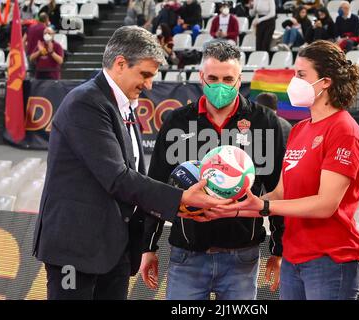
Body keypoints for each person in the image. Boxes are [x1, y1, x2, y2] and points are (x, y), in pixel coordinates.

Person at [32, 26, 230, 300]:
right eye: (145, 75)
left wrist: (179, 205)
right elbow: (117, 177)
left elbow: (132, 176)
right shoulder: (85, 102)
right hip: (75, 250)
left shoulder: (121, 105)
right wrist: (180, 198)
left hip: (113, 249)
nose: (149, 84)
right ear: (120, 64)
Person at [206, 40, 359, 300]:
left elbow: (326, 204)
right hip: (295, 258)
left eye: (301, 75)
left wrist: (265, 208)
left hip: (330, 260)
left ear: (325, 82)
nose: (293, 82)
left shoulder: (343, 129)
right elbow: (281, 192)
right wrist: (238, 205)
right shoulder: (301, 128)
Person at [139, 41, 285, 300]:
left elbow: (278, 190)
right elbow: (156, 186)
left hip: (243, 257)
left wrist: (278, 249)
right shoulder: (177, 121)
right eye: (213, 78)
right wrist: (148, 247)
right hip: (187, 256)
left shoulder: (264, 122)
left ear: (240, 80)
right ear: (201, 78)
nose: (220, 85)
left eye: (228, 78)